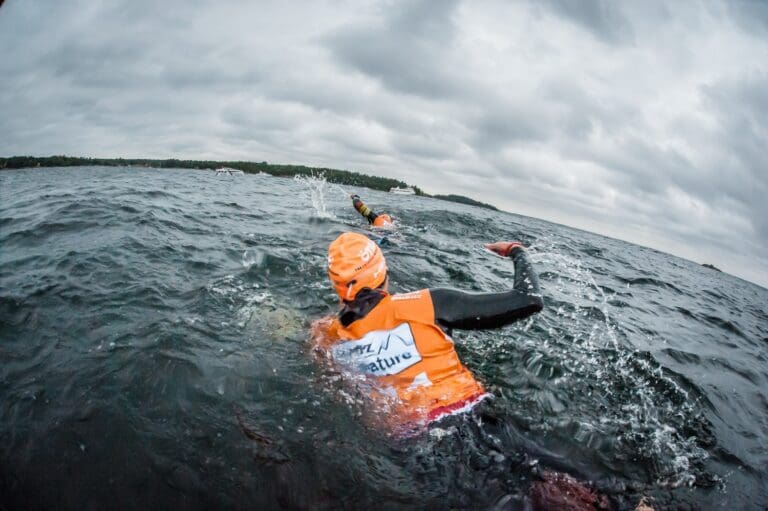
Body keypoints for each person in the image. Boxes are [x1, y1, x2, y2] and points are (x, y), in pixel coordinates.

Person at [311, 232, 543, 431]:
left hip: (412, 437)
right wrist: (516, 251)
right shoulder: (426, 304)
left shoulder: (325, 334)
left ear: (337, 286)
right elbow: (529, 299)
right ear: (383, 272)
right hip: (474, 416)